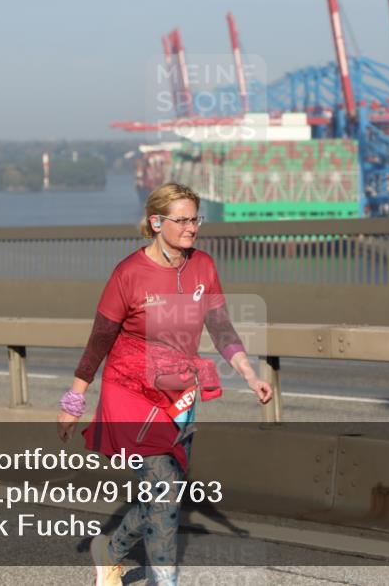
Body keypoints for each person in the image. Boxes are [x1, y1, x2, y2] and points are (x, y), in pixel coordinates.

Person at [56, 182, 272, 586]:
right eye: (182, 220)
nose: (192, 228)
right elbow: (99, 339)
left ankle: (110, 552)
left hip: (179, 395)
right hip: (130, 392)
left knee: (165, 494)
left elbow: (221, 327)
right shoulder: (129, 274)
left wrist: (249, 374)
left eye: (195, 219)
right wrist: (74, 400)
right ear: (156, 222)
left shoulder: (203, 266)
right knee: (165, 489)